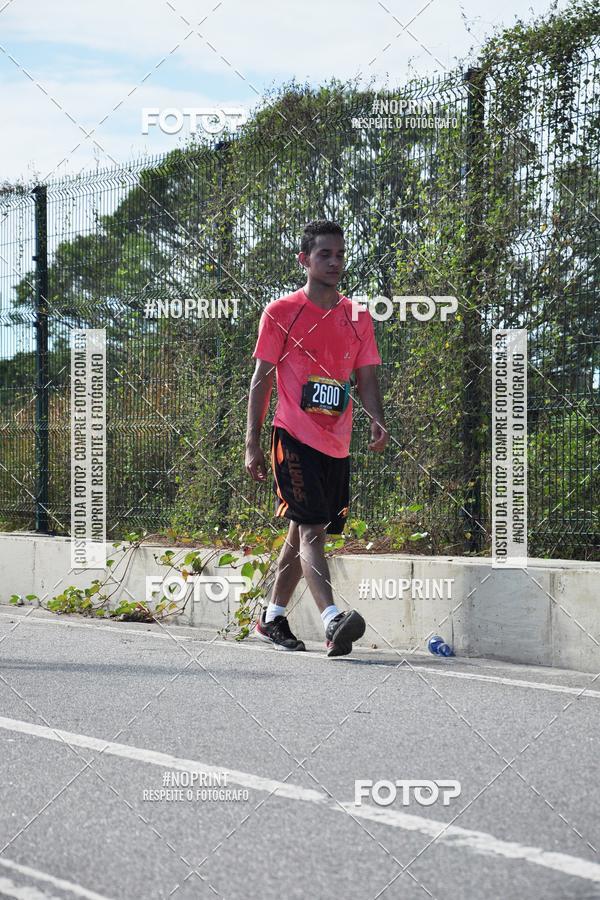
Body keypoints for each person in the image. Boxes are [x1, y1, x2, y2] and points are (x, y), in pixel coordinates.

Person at [245, 219, 388, 656]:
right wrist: (252, 442)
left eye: (340, 255)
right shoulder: (281, 313)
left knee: (301, 530)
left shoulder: (358, 316)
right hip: (292, 436)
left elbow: (366, 375)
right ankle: (332, 620)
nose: (335, 262)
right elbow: (261, 381)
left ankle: (271, 619)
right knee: (311, 531)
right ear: (304, 260)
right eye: (325, 254)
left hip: (336, 442)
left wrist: (376, 418)